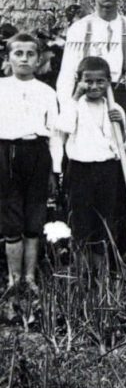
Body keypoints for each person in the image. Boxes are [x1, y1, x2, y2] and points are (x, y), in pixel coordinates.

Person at [0, 33, 62, 292]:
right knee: (10, 214)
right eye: (18, 53)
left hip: (37, 153)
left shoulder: (47, 92)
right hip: (5, 152)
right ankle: (14, 279)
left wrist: (55, 170)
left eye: (30, 54)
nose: (24, 59)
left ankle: (29, 277)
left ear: (39, 59)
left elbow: (55, 132)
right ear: (8, 58)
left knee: (34, 215)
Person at [56, 0, 126, 127]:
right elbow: (67, 74)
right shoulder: (78, 29)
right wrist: (68, 108)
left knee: (122, 148)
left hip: (122, 97)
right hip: (87, 97)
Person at [56, 56, 126, 254]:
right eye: (88, 81)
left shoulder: (115, 108)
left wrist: (120, 125)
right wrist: (75, 96)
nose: (94, 86)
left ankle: (102, 270)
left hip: (107, 169)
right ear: (79, 81)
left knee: (105, 218)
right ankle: (82, 270)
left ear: (108, 83)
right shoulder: (75, 106)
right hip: (80, 169)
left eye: (100, 81)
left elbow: (121, 145)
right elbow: (65, 126)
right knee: (81, 220)